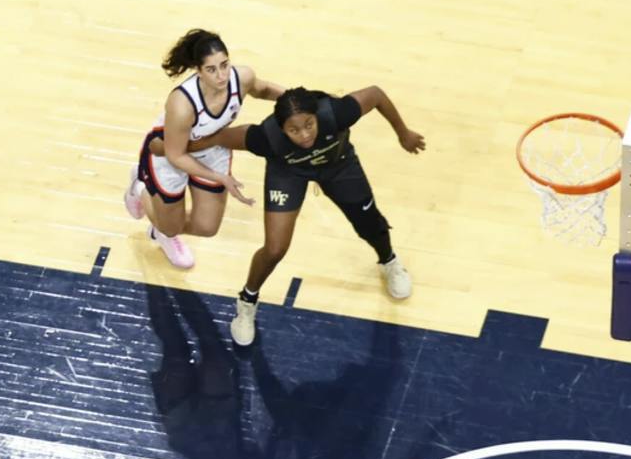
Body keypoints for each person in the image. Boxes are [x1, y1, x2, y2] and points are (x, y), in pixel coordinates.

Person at [195, 85, 426, 346]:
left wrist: (403, 133)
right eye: (294, 130)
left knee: (369, 222)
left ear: (317, 116)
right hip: (289, 174)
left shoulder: (337, 112)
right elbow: (217, 138)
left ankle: (389, 261)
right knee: (274, 249)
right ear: (281, 129)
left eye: (309, 125)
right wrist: (171, 147)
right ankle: (247, 301)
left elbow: (376, 94)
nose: (304, 135)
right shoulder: (265, 137)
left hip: (338, 166)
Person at [122, 29, 284, 270]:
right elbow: (176, 154)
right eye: (211, 69)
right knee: (171, 226)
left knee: (207, 227)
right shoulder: (182, 103)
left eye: (224, 65)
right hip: (167, 153)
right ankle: (142, 188)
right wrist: (219, 177)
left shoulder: (242, 78)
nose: (221, 75)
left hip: (211, 146)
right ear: (198, 71)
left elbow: (264, 90)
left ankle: (159, 217)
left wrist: (300, 98)